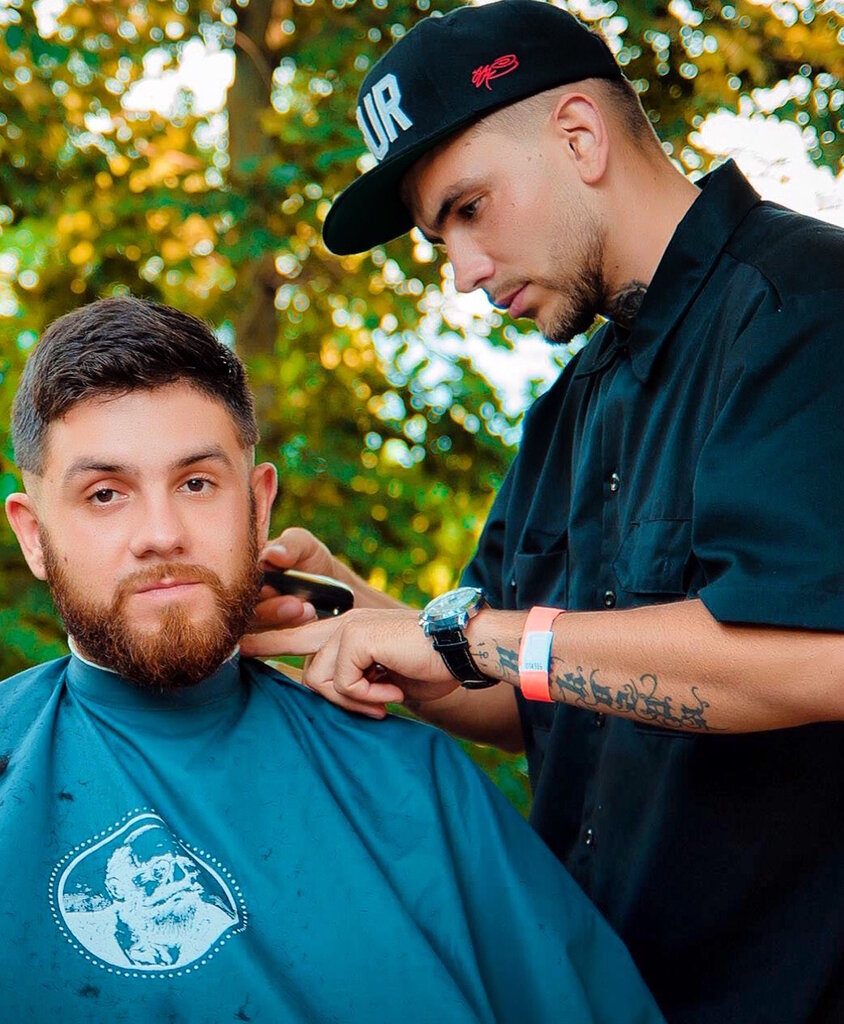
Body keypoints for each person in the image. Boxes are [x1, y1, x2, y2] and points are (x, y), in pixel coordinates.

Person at [242, 2, 844, 1022]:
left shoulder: (809, 307)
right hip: (593, 994)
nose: (463, 273)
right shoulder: (569, 407)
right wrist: (351, 613)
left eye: (469, 209)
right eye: (440, 238)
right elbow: (529, 698)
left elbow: (819, 656)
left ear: (578, 134)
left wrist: (475, 635)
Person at [0, 295, 663, 1023]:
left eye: (195, 483)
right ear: (34, 536)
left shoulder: (409, 779)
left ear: (258, 507)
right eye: (104, 494)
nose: (161, 533)